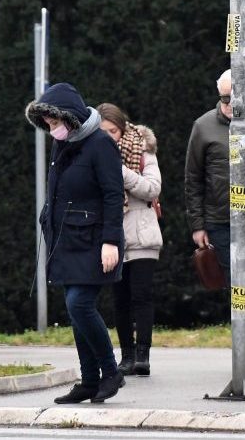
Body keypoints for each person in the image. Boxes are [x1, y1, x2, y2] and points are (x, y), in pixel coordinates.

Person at [26, 83, 126, 404]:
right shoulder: (65, 144)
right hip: (67, 240)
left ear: (69, 118)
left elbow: (113, 194)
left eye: (54, 123)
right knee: (75, 309)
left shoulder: (100, 144)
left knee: (79, 305)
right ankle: (89, 380)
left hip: (95, 240)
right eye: (48, 125)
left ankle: (110, 372)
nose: (51, 130)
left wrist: (110, 241)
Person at [184, 69, 245, 375]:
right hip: (221, 218)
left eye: (232, 97)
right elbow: (193, 179)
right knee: (238, 282)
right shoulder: (203, 127)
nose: (226, 104)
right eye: (222, 98)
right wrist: (197, 224)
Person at [96, 103, 163, 377]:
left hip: (142, 232)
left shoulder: (143, 147)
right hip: (113, 236)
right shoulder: (95, 153)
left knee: (142, 296)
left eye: (114, 130)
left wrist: (120, 171)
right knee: (119, 298)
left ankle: (143, 356)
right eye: (104, 132)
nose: (110, 136)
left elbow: (152, 188)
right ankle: (126, 355)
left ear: (123, 129)